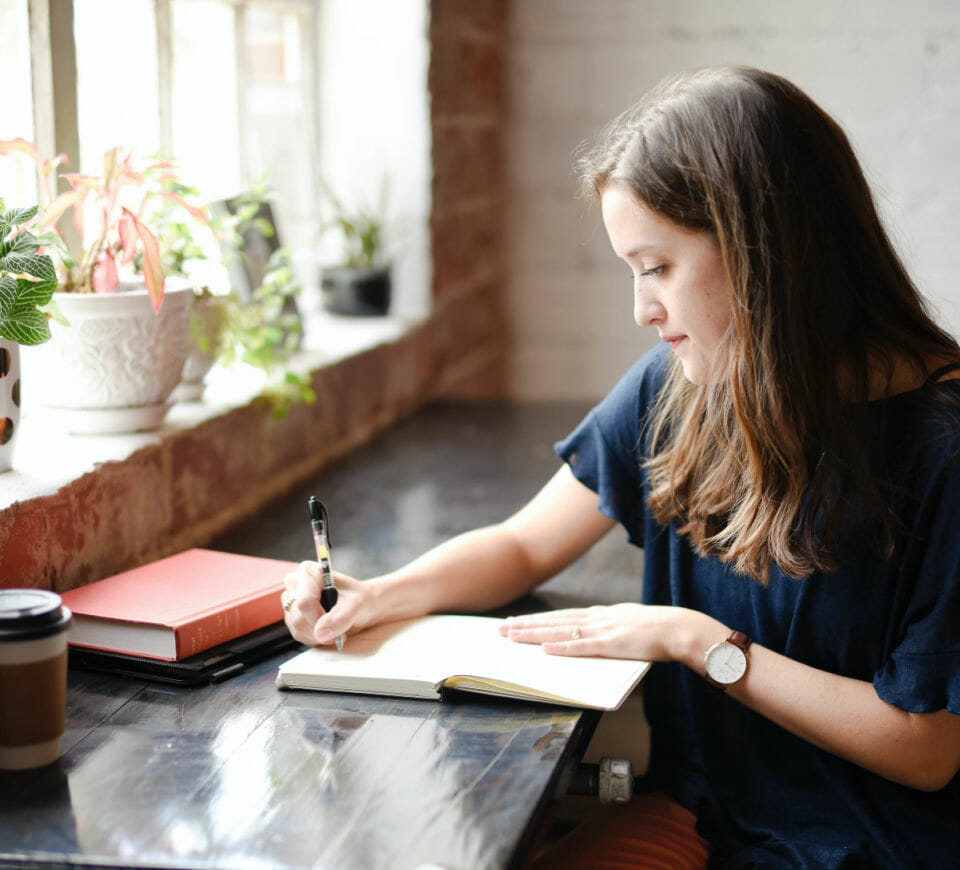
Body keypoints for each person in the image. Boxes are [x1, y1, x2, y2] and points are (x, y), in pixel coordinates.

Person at [282, 66, 960, 869]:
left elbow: (924, 746)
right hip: (702, 820)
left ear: (764, 250)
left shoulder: (943, 449)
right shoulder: (679, 386)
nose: (642, 310)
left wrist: (700, 641)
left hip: (880, 847)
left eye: (658, 267)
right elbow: (524, 545)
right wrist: (379, 595)